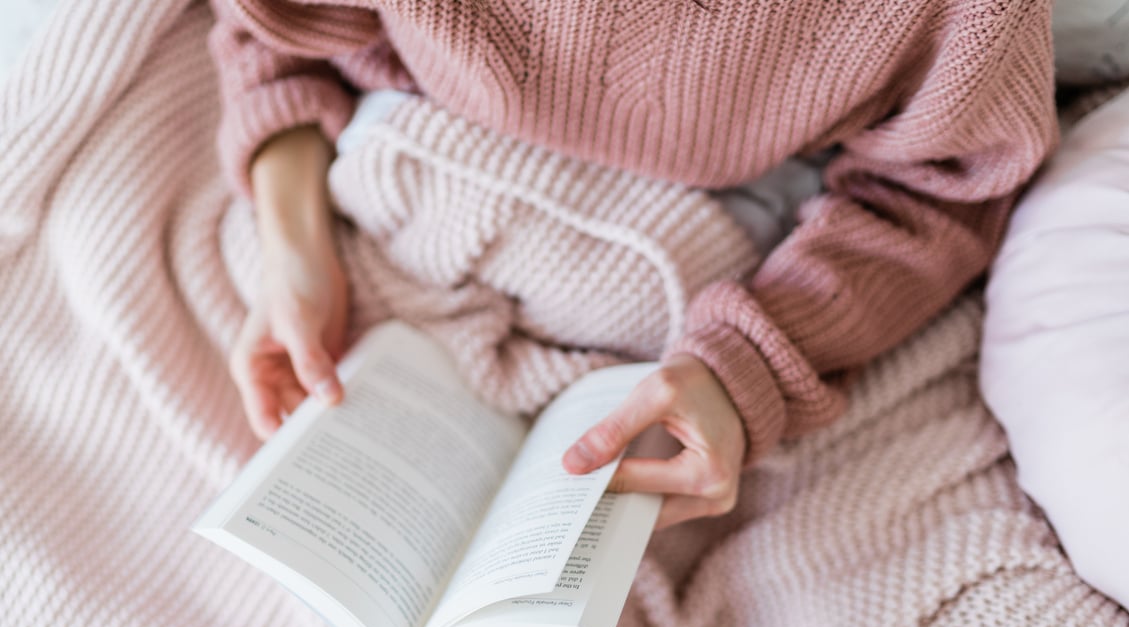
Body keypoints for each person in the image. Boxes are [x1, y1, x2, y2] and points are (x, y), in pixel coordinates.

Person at [210, 0, 1057, 530]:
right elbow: (267, 28)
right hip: (372, 186)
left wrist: (751, 365)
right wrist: (291, 242)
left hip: (709, 263)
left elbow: (941, 190)